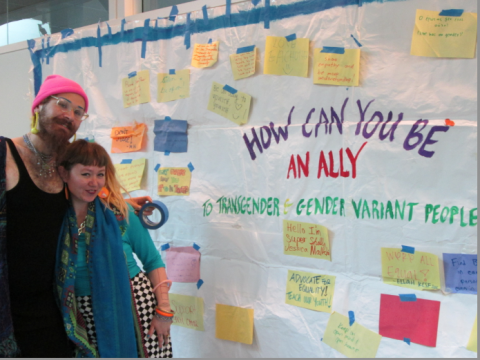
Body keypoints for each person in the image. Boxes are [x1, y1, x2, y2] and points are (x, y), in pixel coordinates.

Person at [0, 75, 151, 357]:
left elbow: (81, 201)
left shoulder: (67, 166)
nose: (70, 115)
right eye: (63, 105)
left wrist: (124, 203)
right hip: (7, 308)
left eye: (79, 112)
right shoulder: (5, 154)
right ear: (39, 106)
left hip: (55, 309)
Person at [56, 139, 173, 358]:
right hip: (82, 314)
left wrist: (164, 310)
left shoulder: (120, 214)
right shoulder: (53, 220)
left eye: (100, 174)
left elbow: (153, 261)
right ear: (64, 174)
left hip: (137, 307)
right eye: (85, 174)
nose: (94, 182)